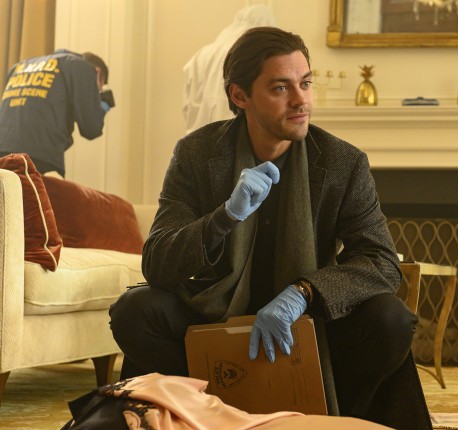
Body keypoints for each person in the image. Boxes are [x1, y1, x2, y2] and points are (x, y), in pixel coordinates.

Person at [109, 27, 432, 429]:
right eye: (281, 88)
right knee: (134, 310)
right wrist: (224, 218)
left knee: (391, 319)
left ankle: (332, 417)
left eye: (306, 83)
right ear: (239, 96)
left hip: (313, 327)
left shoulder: (341, 163)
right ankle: (206, 411)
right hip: (214, 318)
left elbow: (381, 261)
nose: (301, 100)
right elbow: (158, 262)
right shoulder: (197, 153)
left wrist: (304, 293)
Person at [0, 49, 112, 177]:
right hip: (40, 157)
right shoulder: (82, 67)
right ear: (97, 72)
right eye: (99, 87)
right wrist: (103, 106)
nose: (97, 92)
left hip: (2, 153)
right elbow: (91, 129)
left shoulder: (20, 66)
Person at [182, 4, 276, 134]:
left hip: (199, 136)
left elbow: (188, 106)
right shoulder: (253, 54)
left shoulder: (202, 55)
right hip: (236, 136)